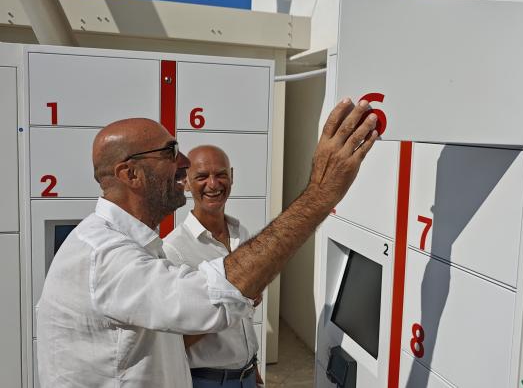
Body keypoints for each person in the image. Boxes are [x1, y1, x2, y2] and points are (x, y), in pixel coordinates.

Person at [36, 98, 379, 388]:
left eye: (220, 174)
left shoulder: (131, 245)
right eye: (171, 152)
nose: (184, 164)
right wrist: (321, 193)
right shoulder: (104, 256)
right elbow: (211, 302)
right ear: (130, 174)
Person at [163, 145, 263, 388]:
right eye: (201, 176)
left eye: (220, 174)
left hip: (246, 375)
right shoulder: (173, 250)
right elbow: (174, 340)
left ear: (232, 176)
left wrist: (254, 369)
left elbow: (244, 322)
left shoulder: (241, 233)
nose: (213, 184)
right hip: (207, 381)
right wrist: (235, 300)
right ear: (185, 183)